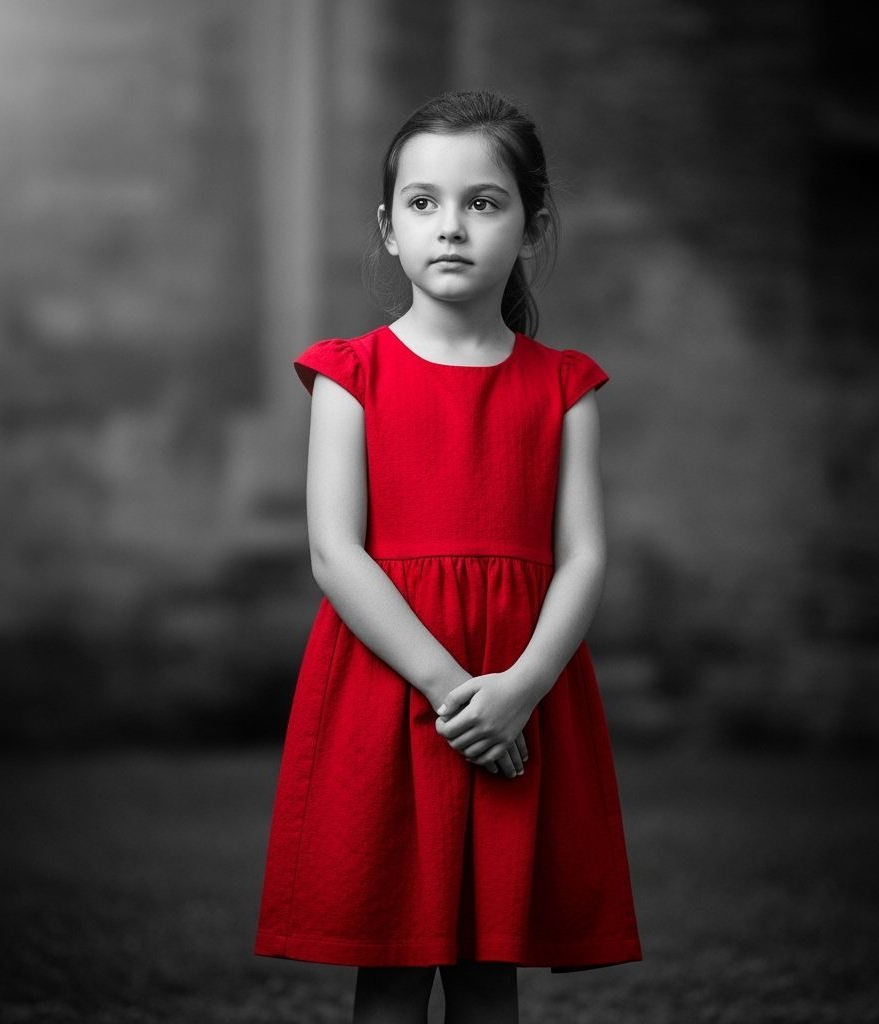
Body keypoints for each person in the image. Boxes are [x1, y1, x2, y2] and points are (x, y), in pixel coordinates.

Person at [255, 90, 641, 1024]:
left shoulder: (563, 385)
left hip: (521, 685)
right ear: (388, 230)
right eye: (423, 204)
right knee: (389, 960)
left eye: (484, 201)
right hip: (390, 688)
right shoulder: (350, 374)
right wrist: (446, 686)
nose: (452, 227)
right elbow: (334, 552)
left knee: (487, 961)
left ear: (532, 223)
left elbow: (584, 556)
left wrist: (519, 688)